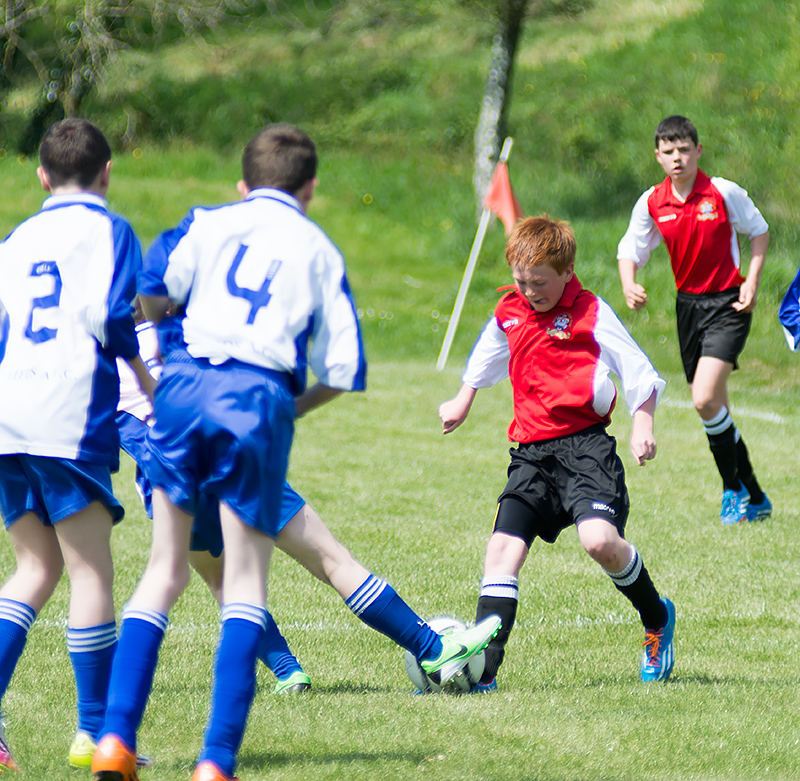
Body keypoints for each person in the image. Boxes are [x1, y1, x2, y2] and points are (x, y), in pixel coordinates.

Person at [92, 124, 500, 781]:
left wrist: (168, 366)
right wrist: (288, 409)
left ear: (242, 183)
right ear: (312, 188)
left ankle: (114, 737)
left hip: (180, 398)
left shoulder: (206, 221)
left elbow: (147, 292)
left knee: (163, 572)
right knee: (249, 583)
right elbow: (343, 368)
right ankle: (216, 762)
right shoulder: (318, 249)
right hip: (252, 402)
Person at [439, 215, 676, 693]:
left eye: (540, 282)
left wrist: (643, 424)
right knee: (501, 553)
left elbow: (639, 371)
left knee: (599, 543)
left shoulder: (589, 311)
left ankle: (656, 618)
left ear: (567, 271)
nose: (530, 292)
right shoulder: (509, 310)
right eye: (522, 281)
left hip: (586, 450)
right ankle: (485, 672)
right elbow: (487, 354)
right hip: (530, 454)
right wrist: (464, 398)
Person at [0, 118, 152, 772]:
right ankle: (94, 731)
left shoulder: (15, 238)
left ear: (41, 176)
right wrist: (144, 375)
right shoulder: (110, 229)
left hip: (9, 415)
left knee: (35, 568)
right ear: (107, 171)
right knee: (91, 571)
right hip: (69, 411)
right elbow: (107, 314)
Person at [116, 313, 312, 698]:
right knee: (328, 560)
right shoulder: (182, 330)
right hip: (231, 458)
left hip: (172, 482)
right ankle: (430, 647)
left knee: (221, 580)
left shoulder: (98, 359)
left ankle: (287, 669)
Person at [617, 115, 771, 526]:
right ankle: (756, 497)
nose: (677, 158)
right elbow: (629, 248)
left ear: (698, 151)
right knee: (716, 407)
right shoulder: (653, 201)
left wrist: (752, 282)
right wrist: (629, 282)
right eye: (669, 152)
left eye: (684, 149)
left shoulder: (722, 192)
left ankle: (732, 490)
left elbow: (759, 231)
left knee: (703, 399)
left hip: (728, 305)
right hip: (688, 309)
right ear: (658, 157)